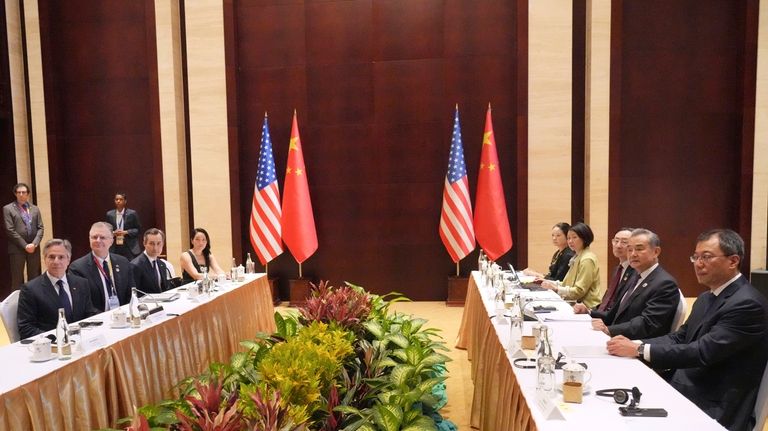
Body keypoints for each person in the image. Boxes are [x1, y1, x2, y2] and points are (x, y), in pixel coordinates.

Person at [607, 229, 768, 431]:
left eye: (706, 257)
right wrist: (638, 344)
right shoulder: (707, 297)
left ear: (733, 261)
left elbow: (702, 352)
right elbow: (680, 337)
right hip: (687, 384)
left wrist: (639, 351)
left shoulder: (747, 304)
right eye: (696, 257)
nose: (698, 264)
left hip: (714, 403)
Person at [589, 228, 680, 339]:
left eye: (639, 249)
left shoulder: (665, 284)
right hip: (617, 338)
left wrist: (609, 330)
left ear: (656, 252)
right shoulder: (634, 276)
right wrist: (589, 313)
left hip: (635, 345)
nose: (633, 254)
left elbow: (647, 323)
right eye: (630, 250)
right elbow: (616, 313)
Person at [17, 239, 98, 339]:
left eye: (61, 257)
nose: (56, 261)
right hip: (51, 346)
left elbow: (89, 313)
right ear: (44, 259)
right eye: (51, 257)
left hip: (81, 340)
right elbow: (26, 328)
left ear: (68, 260)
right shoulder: (30, 289)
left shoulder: (81, 283)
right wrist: (56, 339)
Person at [69, 222, 135, 311]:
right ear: (89, 239)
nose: (98, 240)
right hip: (98, 320)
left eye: (102, 237)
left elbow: (131, 294)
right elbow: (81, 303)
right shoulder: (78, 268)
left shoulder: (123, 262)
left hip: (123, 316)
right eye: (94, 237)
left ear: (111, 241)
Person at [573, 227, 636, 315]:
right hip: (600, 316)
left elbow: (618, 308)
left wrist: (591, 313)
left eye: (624, 242)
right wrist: (589, 310)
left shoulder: (635, 273)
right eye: (616, 241)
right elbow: (607, 301)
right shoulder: (618, 269)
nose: (618, 245)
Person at [540, 222, 601, 309]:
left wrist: (556, 288)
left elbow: (579, 291)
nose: (570, 241)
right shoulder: (577, 256)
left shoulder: (587, 259)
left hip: (586, 307)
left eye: (574, 237)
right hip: (574, 304)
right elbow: (567, 283)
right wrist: (551, 284)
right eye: (568, 238)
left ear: (584, 238)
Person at [3, 183, 44, 290]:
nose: (21, 194)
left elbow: (40, 228)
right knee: (17, 279)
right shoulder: (8, 209)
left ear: (28, 194)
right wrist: (25, 245)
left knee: (34, 278)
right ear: (15, 194)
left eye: (24, 192)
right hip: (17, 248)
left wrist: (34, 244)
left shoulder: (35, 209)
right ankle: (17, 305)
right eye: (19, 192)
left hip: (33, 248)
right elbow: (10, 230)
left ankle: (34, 302)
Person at [131, 228, 171, 294]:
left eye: (158, 243)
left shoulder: (162, 264)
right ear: (144, 243)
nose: (155, 248)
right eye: (151, 244)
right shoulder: (136, 265)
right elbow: (134, 293)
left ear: (163, 244)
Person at [106, 192, 141, 260]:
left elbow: (138, 230)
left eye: (121, 199)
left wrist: (126, 232)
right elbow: (107, 230)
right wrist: (113, 233)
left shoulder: (132, 213)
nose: (118, 201)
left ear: (125, 201)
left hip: (129, 246)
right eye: (117, 199)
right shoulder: (109, 214)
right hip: (115, 246)